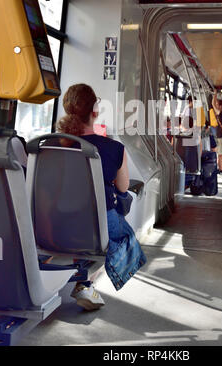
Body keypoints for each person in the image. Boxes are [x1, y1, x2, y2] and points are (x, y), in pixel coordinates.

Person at [56, 84, 146, 310]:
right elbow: (123, 187)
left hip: (54, 222)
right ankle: (86, 282)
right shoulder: (114, 148)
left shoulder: (51, 145)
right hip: (97, 225)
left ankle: (82, 279)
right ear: (95, 111)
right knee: (125, 237)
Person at [211, 91, 222, 174]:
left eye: (218, 105)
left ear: (220, 106)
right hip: (221, 136)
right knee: (220, 154)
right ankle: (221, 168)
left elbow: (213, 104)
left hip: (221, 137)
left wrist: (215, 94)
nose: (216, 106)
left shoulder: (221, 113)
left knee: (220, 154)